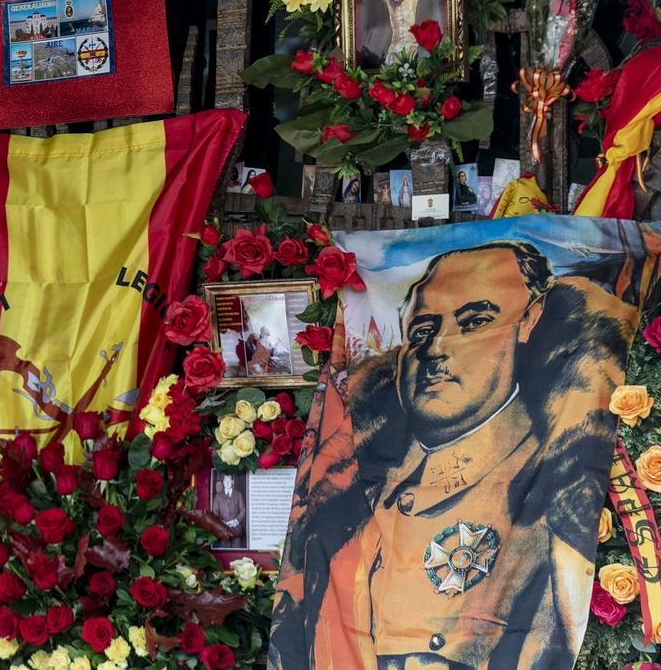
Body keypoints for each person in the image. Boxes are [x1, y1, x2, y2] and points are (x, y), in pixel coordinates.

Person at [269, 241, 638, 669]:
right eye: (422, 331)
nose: (436, 350)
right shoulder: (344, 482)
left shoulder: (552, 496)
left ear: (529, 325)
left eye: (476, 322)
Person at [213, 474, 247, 549]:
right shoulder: (218, 496)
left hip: (236, 529)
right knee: (225, 550)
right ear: (223, 482)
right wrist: (221, 522)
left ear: (232, 482)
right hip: (223, 529)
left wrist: (236, 521)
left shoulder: (238, 495)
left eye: (229, 481)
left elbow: (243, 510)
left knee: (237, 551)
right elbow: (215, 511)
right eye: (225, 481)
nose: (227, 483)